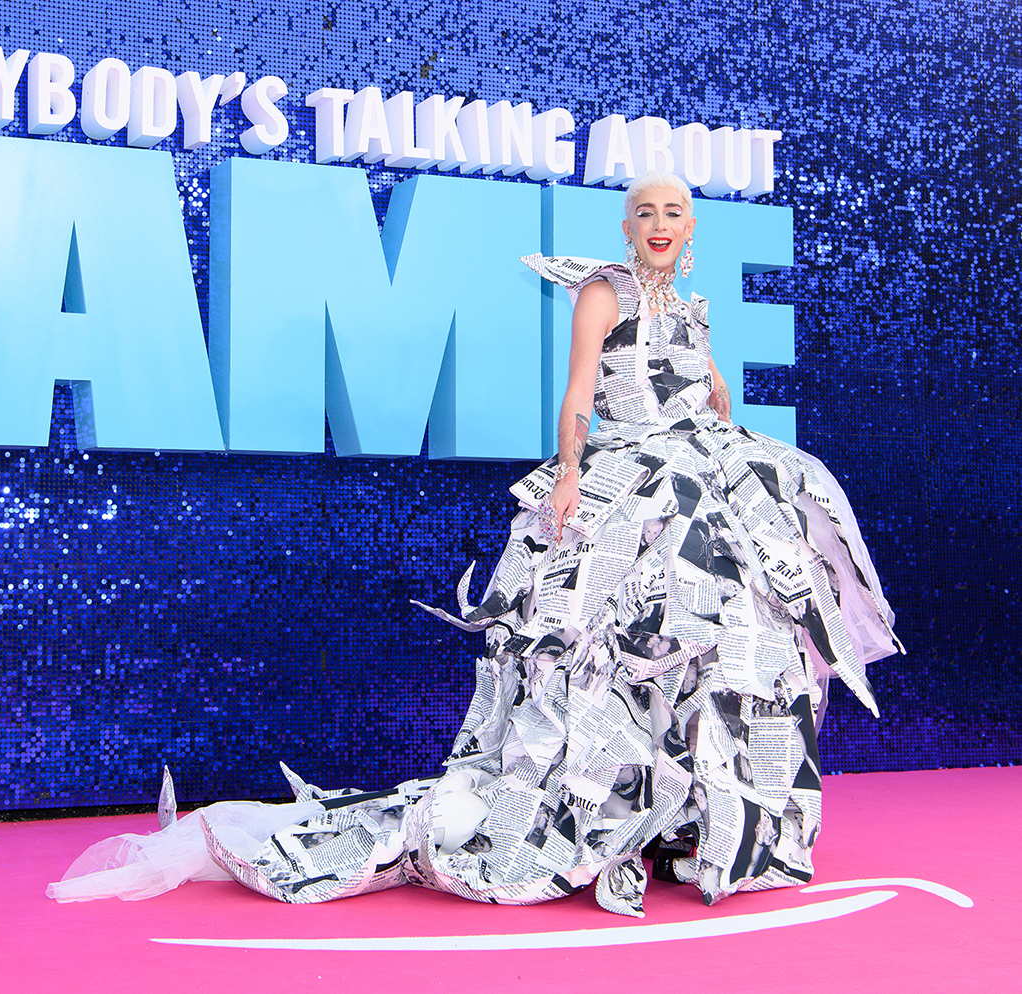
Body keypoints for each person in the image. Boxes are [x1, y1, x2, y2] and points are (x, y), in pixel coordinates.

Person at [48, 172, 901, 916]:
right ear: (627, 224)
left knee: (714, 650)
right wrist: (571, 473)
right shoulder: (603, 291)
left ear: (692, 225)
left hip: (698, 481)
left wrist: (721, 424)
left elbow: (708, 387)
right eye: (645, 209)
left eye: (674, 208)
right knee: (593, 652)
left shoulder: (693, 305)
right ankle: (598, 815)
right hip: (625, 483)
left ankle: (688, 821)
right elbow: (579, 391)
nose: (659, 221)